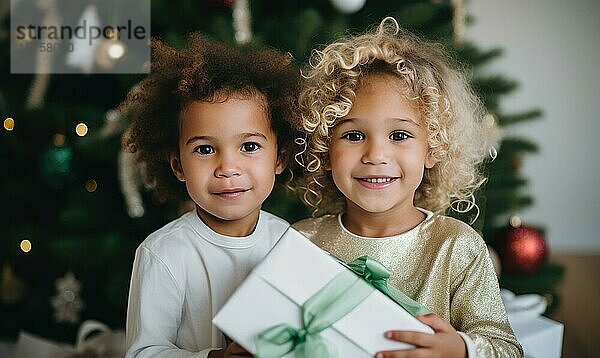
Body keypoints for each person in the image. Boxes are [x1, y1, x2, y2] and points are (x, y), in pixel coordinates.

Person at [293, 17, 523, 357]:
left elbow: (507, 350)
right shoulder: (301, 242)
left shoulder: (456, 247)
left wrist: (460, 349)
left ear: (433, 148)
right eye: (353, 135)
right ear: (326, 150)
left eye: (399, 135)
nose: (376, 155)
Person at [123, 34, 299, 357]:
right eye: (205, 149)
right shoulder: (163, 254)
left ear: (280, 158)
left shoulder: (289, 242)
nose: (228, 167)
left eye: (249, 146)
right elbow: (143, 352)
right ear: (178, 166)